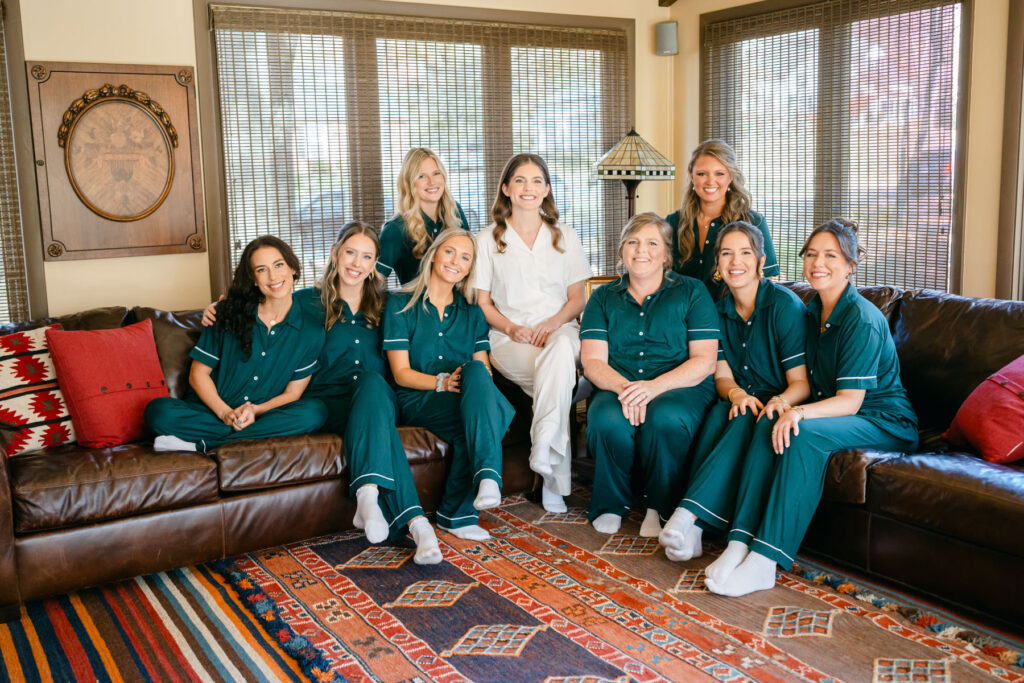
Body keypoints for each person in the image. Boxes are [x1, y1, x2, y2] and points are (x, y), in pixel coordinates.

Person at [198, 225, 443, 564]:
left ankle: (373, 500)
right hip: (329, 405)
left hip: (376, 400)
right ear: (335, 253)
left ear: (375, 264)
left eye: (367, 256)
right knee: (380, 430)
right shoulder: (306, 303)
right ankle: (418, 526)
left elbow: (438, 302)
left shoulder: (390, 306)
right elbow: (258, 302)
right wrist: (216, 307)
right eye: (350, 253)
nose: (357, 263)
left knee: (373, 384)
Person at [702, 218, 918, 597]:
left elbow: (852, 401)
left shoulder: (862, 319)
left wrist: (798, 412)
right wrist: (782, 405)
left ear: (851, 265)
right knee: (769, 415)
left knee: (800, 432)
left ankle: (765, 561)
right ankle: (738, 543)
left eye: (831, 255)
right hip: (843, 412)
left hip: (884, 419)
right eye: (812, 254)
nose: (818, 262)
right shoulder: (812, 309)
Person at [658, 221, 810, 576]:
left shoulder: (783, 306)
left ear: (760, 261)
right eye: (726, 253)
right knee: (721, 412)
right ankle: (693, 528)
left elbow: (801, 383)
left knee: (745, 417)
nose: (735, 261)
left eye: (745, 253)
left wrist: (779, 402)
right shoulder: (717, 309)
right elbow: (722, 375)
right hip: (743, 399)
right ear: (717, 263)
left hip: (780, 400)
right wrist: (737, 393)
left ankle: (689, 517)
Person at [579, 212, 718, 537]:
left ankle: (660, 507)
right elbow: (593, 362)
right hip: (618, 383)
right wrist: (629, 390)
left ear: (667, 254)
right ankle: (610, 503)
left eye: (652, 243)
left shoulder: (693, 292)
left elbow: (704, 361)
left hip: (680, 384)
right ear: (622, 250)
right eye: (633, 242)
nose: (641, 250)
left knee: (666, 420)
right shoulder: (602, 297)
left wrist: (652, 389)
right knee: (605, 420)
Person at [474, 153, 592, 513]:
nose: (529, 188)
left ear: (547, 189)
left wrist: (551, 324)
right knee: (555, 379)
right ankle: (553, 479)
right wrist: (512, 327)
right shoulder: (487, 239)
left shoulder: (564, 236)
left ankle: (542, 446)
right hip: (510, 339)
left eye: (537, 180)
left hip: (562, 331)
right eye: (520, 181)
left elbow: (577, 299)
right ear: (506, 188)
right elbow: (483, 302)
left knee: (557, 355)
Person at [383, 227, 515, 541]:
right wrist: (441, 383)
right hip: (418, 397)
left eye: (465, 257)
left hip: (463, 395)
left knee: (477, 375)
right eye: (450, 252)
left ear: (470, 268)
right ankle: (468, 502)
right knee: (491, 417)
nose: (456, 261)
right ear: (435, 254)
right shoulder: (400, 305)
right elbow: (401, 373)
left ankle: (464, 505)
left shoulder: (472, 313)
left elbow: (482, 367)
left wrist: (478, 392)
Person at [145, 236, 326, 452]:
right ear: (253, 278)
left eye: (279, 265)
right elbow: (198, 375)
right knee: (157, 411)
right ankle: (245, 438)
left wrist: (256, 410)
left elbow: (292, 394)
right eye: (261, 269)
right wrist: (225, 413)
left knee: (315, 412)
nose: (273, 276)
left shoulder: (312, 331)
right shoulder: (227, 313)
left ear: (293, 268)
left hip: (261, 416)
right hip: (212, 413)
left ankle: (201, 445)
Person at [666, 139, 779, 299]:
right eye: (702, 174)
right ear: (692, 176)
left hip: (731, 319)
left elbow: (766, 282)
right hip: (680, 317)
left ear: (731, 177)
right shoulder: (672, 222)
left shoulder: (754, 222)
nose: (710, 181)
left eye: (719, 173)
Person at [377, 147, 471, 285]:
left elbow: (471, 263)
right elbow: (371, 285)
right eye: (421, 176)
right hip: (418, 305)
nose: (432, 182)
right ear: (409, 182)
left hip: (459, 304)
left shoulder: (455, 212)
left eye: (436, 173)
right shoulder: (395, 229)